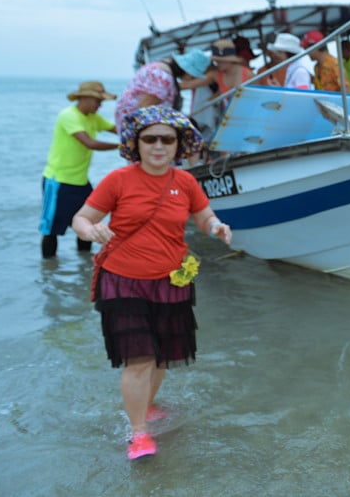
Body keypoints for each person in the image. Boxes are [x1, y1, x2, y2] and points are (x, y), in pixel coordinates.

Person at [71, 106, 233, 460]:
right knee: (140, 358)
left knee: (161, 357)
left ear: (178, 145)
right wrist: (90, 230)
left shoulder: (186, 182)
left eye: (167, 139)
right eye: (150, 139)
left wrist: (216, 226)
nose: (158, 146)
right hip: (122, 279)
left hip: (172, 279)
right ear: (136, 143)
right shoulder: (118, 180)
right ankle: (139, 433)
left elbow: (203, 215)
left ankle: (148, 405)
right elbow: (80, 218)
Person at [41, 81, 120, 258]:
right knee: (51, 230)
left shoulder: (93, 117)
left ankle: (84, 267)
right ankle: (48, 273)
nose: (100, 105)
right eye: (98, 101)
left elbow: (118, 129)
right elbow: (89, 143)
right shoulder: (69, 115)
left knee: (87, 224)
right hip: (58, 181)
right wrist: (121, 146)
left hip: (81, 182)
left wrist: (141, 136)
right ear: (84, 98)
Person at [115, 51, 213, 134]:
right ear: (187, 71)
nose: (192, 79)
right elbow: (144, 109)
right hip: (136, 127)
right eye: (193, 75)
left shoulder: (159, 68)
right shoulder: (162, 78)